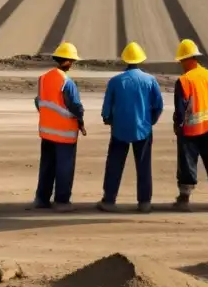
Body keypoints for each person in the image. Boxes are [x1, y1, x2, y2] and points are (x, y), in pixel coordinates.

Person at [97, 42, 164, 214]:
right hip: (143, 129)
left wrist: (110, 120)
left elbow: (106, 109)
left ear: (125, 60)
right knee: (144, 166)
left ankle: (109, 200)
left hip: (120, 129)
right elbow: (158, 105)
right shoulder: (150, 80)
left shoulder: (115, 81)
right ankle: (144, 202)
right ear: (141, 60)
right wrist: (150, 121)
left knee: (114, 164)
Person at [172, 38, 208, 211]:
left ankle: (184, 198)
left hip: (190, 128)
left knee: (187, 163)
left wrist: (178, 125)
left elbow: (181, 109)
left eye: (182, 60)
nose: (181, 63)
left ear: (187, 59)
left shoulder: (184, 80)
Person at [34, 42, 86, 212]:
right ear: (67, 61)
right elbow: (75, 105)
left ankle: (42, 199)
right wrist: (81, 121)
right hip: (64, 133)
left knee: (47, 166)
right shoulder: (66, 82)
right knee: (64, 168)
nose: (72, 64)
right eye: (72, 61)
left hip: (47, 132)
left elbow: (38, 101)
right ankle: (62, 201)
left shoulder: (43, 78)